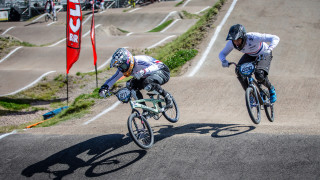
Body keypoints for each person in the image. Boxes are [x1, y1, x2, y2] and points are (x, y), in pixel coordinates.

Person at [219, 24, 280, 103]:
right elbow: (222, 54)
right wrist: (223, 60)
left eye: (238, 40)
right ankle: (250, 94)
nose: (236, 43)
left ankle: (271, 88)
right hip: (250, 55)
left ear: (243, 37)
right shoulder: (232, 43)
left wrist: (270, 49)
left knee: (259, 75)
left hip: (263, 53)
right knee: (238, 70)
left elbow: (275, 38)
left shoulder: (252, 37)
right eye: (234, 40)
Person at [99, 48, 173, 109]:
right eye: (119, 67)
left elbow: (158, 66)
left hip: (162, 71)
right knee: (130, 85)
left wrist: (144, 71)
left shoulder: (140, 60)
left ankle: (167, 96)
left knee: (148, 83)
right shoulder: (123, 69)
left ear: (128, 60)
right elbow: (113, 79)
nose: (122, 69)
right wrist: (104, 87)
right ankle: (145, 109)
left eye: (123, 66)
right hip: (146, 76)